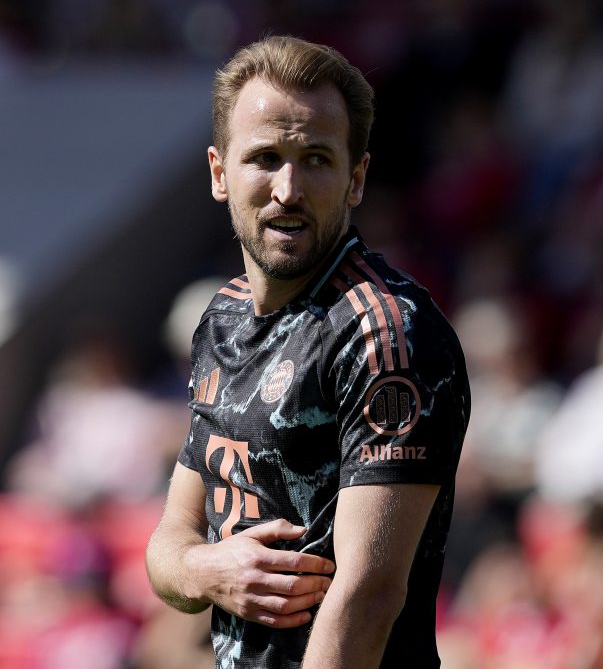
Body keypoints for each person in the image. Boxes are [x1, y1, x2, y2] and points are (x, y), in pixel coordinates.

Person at [145, 35, 470, 668]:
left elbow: (369, 593)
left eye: (316, 159)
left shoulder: (387, 333)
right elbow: (168, 543)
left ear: (356, 179)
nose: (288, 189)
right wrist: (204, 570)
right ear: (220, 173)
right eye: (264, 157)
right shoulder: (222, 319)